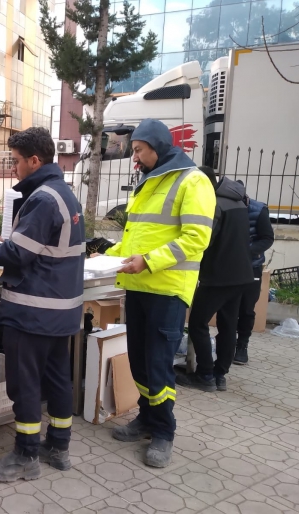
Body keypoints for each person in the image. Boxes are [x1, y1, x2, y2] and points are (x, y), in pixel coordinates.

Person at [0, 127, 85, 481]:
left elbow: (17, 254)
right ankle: (58, 446)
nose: (13, 167)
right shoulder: (64, 193)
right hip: (60, 314)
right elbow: (40, 246)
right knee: (59, 380)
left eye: (15, 161)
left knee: (26, 385)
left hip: (33, 313)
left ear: (34, 160)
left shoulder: (44, 198)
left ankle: (25, 456)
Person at [97, 119, 216, 468]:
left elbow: (197, 239)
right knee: (139, 361)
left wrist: (148, 262)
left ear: (157, 146)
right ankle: (146, 418)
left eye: (138, 150)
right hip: (138, 287)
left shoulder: (192, 181)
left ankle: (164, 431)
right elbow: (138, 239)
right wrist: (104, 257)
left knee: (159, 365)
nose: (135, 157)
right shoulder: (149, 182)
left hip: (167, 290)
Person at [177, 171, 254, 392]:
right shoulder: (238, 200)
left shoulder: (214, 204)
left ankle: (205, 375)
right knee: (228, 325)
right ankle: (220, 375)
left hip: (218, 275)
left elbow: (204, 240)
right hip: (241, 275)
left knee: (198, 324)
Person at [234, 181, 274, 365]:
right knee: (228, 308)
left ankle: (242, 345)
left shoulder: (259, 210)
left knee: (246, 309)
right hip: (228, 267)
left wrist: (246, 251)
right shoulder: (223, 206)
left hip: (252, 266)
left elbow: (267, 238)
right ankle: (225, 344)